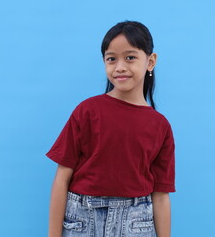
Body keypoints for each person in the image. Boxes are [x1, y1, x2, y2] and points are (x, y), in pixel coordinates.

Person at [46, 20, 175, 237]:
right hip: (82, 222)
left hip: (137, 224)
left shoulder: (160, 126)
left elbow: (161, 195)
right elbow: (61, 178)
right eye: (111, 59)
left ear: (150, 61)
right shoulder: (87, 111)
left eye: (130, 57)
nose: (120, 67)